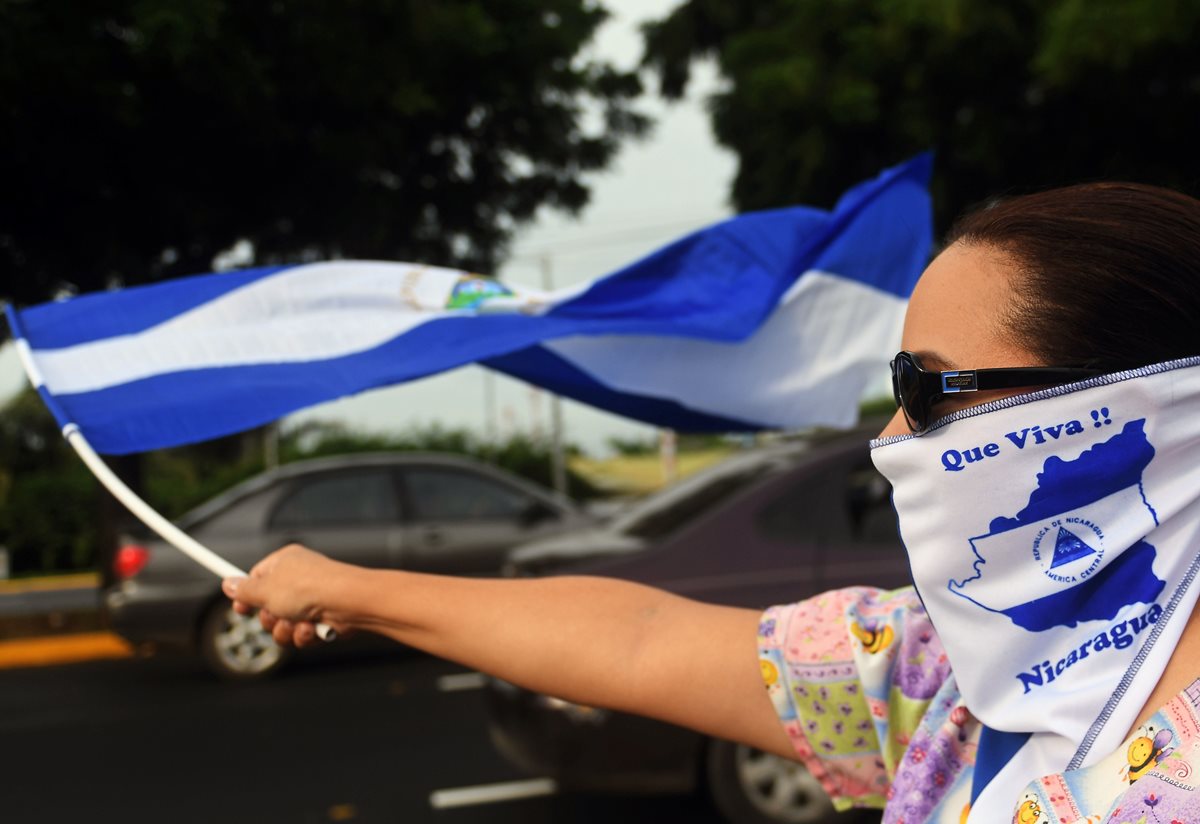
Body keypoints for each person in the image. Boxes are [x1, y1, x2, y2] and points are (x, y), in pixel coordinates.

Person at [223, 181, 1200, 823]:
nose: (892, 441)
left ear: (1132, 405)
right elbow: (641, 636)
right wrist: (344, 587)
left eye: (926, 387)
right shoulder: (961, 672)